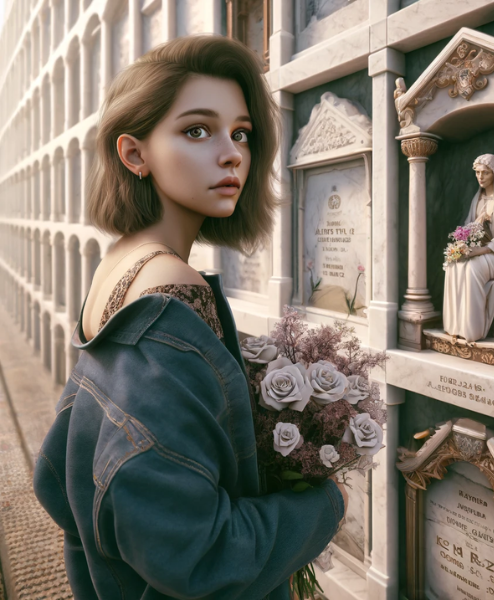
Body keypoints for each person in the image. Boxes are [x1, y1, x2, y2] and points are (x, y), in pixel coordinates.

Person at [32, 34, 348, 600]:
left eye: (241, 133)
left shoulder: (120, 261)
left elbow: (62, 471)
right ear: (135, 154)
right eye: (197, 130)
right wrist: (323, 506)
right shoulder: (172, 289)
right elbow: (201, 555)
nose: (231, 153)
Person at [443, 154, 494, 342]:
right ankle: (455, 326)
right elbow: (468, 227)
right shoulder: (478, 198)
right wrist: (464, 244)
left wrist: (481, 250)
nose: (480, 177)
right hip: (481, 251)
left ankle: (473, 331)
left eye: (485, 173)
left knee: (471, 268)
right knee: (453, 264)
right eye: (477, 172)